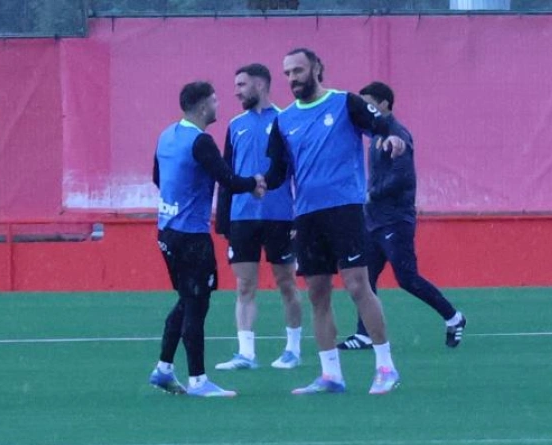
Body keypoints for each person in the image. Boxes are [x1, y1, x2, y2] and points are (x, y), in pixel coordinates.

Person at [263, 48, 406, 395]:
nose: (293, 78)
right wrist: (253, 183)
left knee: (358, 285)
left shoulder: (345, 103)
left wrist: (391, 136)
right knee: (317, 293)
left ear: (316, 68)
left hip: (345, 209)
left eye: (298, 70)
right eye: (287, 73)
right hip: (307, 215)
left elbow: (383, 123)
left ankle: (386, 367)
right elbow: (278, 173)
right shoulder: (283, 121)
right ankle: (331, 375)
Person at [148, 81, 266, 398]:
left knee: (187, 299)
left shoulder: (167, 135)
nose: (218, 105)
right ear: (202, 107)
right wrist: (253, 183)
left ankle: (163, 369)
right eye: (214, 100)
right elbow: (226, 178)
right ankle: (199, 380)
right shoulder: (202, 141)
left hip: (167, 231)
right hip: (191, 235)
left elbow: (158, 178)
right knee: (197, 304)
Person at [336, 81, 466, 351]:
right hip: (374, 219)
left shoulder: (398, 134)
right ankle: (365, 334)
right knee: (365, 278)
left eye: (369, 103)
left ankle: (453, 317)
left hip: (395, 219)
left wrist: (371, 193)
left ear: (384, 104)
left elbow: (403, 177)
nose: (365, 109)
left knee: (407, 278)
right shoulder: (374, 135)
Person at [213, 63, 304, 371]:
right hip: (242, 219)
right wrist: (223, 220)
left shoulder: (286, 121)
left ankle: (293, 349)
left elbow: (298, 171)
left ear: (260, 85)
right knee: (244, 285)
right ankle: (246, 354)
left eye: (242, 85)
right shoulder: (235, 125)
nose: (236, 91)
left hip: (280, 217)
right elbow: (225, 175)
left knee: (286, 283)